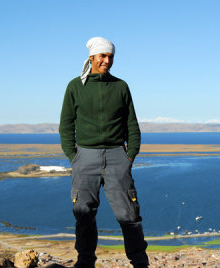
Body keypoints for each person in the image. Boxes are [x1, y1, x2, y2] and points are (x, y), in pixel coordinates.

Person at [59, 36, 149, 268]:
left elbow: (132, 124)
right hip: (85, 157)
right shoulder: (75, 86)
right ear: (91, 58)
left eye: (110, 57)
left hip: (117, 156)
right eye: (103, 56)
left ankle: (140, 262)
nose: (107, 61)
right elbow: (66, 125)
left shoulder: (121, 86)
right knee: (84, 214)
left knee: (129, 214)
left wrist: (130, 154)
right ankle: (85, 262)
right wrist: (74, 156)